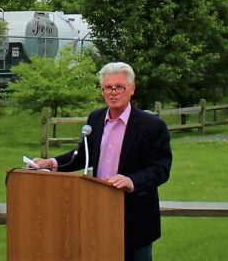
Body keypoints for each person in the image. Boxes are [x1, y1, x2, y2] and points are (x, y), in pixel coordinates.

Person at [32, 62, 172, 261]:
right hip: (97, 211)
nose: (113, 92)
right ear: (102, 90)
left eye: (119, 87)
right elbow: (82, 155)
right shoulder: (96, 119)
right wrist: (51, 163)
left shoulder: (152, 125)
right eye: (108, 87)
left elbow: (161, 168)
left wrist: (131, 181)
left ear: (132, 89)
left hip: (135, 217)